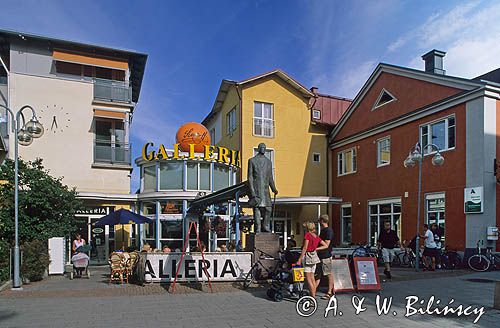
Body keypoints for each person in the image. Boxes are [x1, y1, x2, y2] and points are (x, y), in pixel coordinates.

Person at [247, 143, 278, 232]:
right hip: (256, 190)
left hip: (265, 190)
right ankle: (258, 228)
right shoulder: (252, 161)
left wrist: (273, 188)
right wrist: (252, 192)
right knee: (257, 209)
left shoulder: (268, 162)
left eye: (264, 148)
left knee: (268, 209)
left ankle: (265, 226)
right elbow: (250, 177)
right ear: (258, 149)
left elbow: (270, 177)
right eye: (262, 148)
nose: (263, 149)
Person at [295, 221, 328, 298]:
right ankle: (313, 296)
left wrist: (299, 259)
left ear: (307, 228)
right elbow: (326, 245)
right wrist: (316, 249)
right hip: (314, 257)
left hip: (308, 257)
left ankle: (312, 297)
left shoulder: (307, 235)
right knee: (312, 277)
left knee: (308, 278)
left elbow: (305, 248)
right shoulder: (315, 236)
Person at [316, 214, 334, 299]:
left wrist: (315, 249)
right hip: (320, 255)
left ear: (322, 221)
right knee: (318, 274)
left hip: (326, 255)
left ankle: (330, 292)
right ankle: (313, 290)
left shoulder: (328, 231)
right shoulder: (323, 230)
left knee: (328, 274)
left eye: (319, 221)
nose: (319, 222)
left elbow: (326, 245)